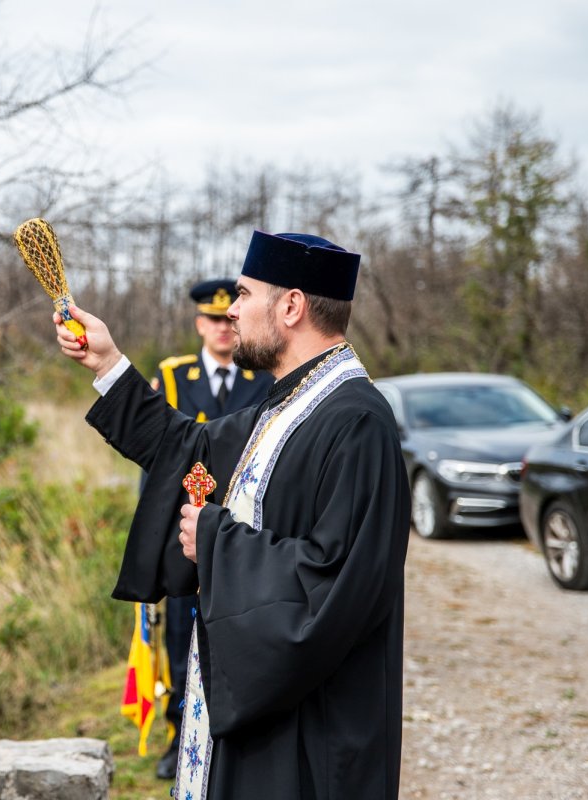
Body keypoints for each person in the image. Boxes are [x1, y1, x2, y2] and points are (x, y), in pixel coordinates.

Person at [55, 231, 411, 799]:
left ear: (291, 306)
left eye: (244, 295)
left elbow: (341, 577)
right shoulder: (285, 402)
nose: (232, 310)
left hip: (311, 723)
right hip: (264, 703)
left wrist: (216, 540)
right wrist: (109, 363)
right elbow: (187, 449)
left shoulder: (355, 420)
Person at [149, 278, 273, 780]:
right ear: (200, 324)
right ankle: (179, 736)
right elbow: (158, 464)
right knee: (181, 636)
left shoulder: (262, 379)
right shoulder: (173, 378)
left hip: (239, 534)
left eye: (230, 319)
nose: (224, 328)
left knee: (236, 629)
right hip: (185, 534)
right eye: (214, 320)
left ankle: (230, 732)